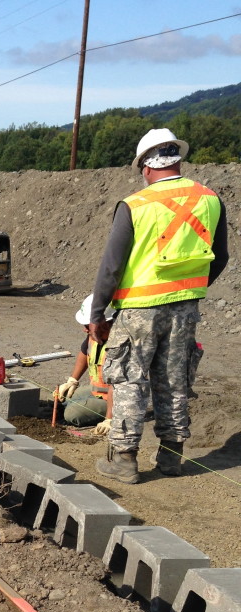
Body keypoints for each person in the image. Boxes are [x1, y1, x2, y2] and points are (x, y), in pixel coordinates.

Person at [88, 128, 228, 483]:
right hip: (185, 309)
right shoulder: (210, 199)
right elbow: (221, 256)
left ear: (146, 167)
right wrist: (189, 290)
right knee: (174, 381)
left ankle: (124, 460)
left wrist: (97, 314)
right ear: (177, 159)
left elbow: (111, 267)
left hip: (138, 310)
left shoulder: (134, 205)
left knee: (129, 380)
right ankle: (171, 459)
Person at [56, 294, 114, 432]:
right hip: (100, 390)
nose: (85, 329)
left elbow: (118, 386)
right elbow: (84, 351)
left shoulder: (119, 344)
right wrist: (72, 380)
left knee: (72, 414)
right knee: (63, 398)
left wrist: (109, 419)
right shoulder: (94, 336)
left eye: (87, 325)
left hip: (120, 399)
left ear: (104, 324)